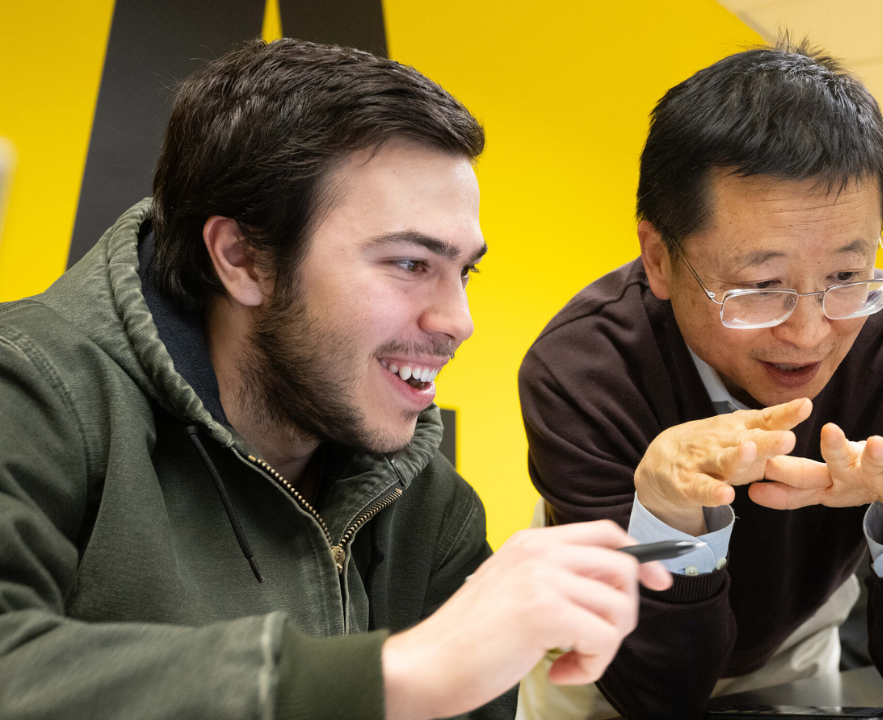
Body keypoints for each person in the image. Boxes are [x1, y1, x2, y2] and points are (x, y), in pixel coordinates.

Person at [0, 39, 669, 720]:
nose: (458, 320)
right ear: (242, 258)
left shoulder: (426, 503)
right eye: (411, 264)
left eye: (462, 271)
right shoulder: (26, 386)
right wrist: (398, 675)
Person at [518, 40, 883, 719]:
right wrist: (667, 517)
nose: (808, 333)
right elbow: (655, 693)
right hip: (613, 659)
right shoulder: (585, 371)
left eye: (845, 276)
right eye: (760, 287)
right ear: (659, 260)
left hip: (797, 641)